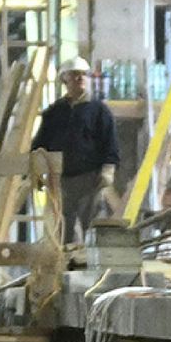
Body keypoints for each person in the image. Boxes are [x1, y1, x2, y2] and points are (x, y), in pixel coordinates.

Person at [32, 63, 124, 237]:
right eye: (75, 74)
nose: (80, 78)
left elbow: (110, 142)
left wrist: (108, 170)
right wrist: (36, 170)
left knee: (91, 228)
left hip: (90, 179)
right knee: (61, 229)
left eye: (83, 74)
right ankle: (63, 263)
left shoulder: (99, 111)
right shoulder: (55, 112)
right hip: (61, 180)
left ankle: (91, 262)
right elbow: (40, 143)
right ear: (65, 79)